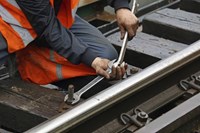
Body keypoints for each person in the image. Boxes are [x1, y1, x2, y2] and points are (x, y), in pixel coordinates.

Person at [0, 0, 138, 86]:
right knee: (93, 60)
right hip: (9, 25)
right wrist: (92, 60)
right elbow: (48, 26)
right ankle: (22, 63)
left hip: (52, 14)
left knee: (106, 56)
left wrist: (121, 7)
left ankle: (32, 59)